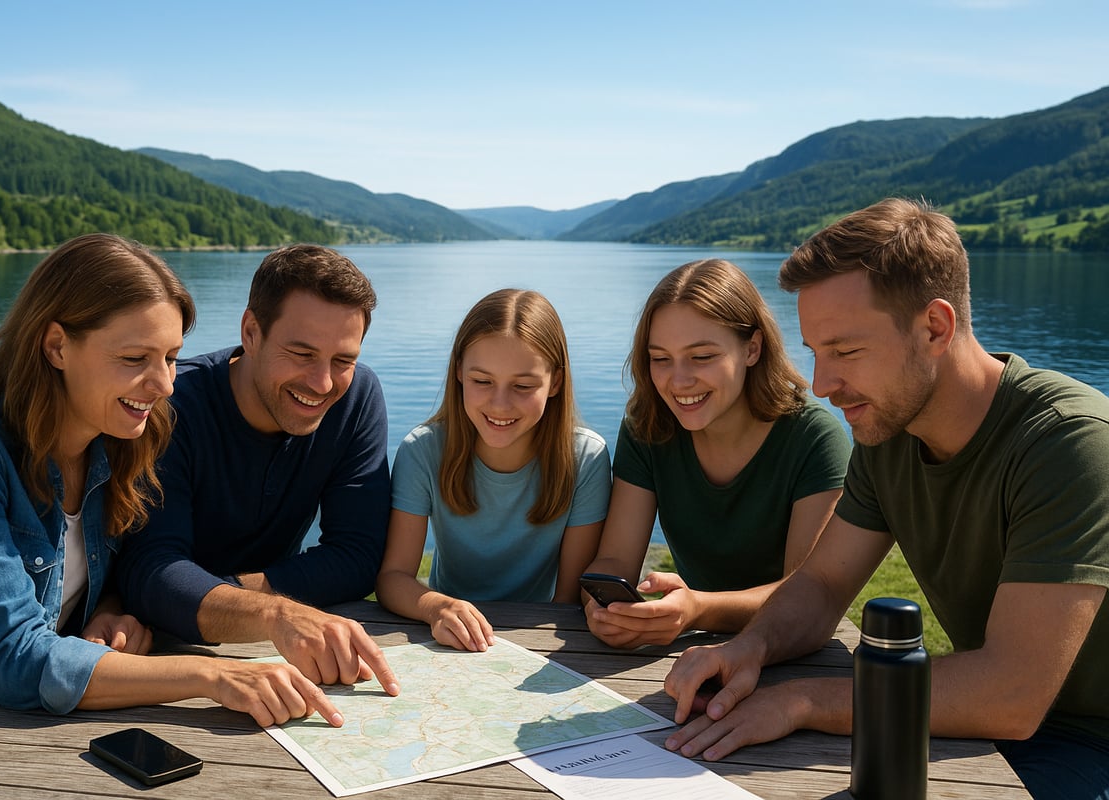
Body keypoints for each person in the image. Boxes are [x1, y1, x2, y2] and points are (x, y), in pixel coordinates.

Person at [663, 199, 1109, 800]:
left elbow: (1011, 692)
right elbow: (821, 585)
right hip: (987, 732)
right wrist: (749, 649)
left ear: (935, 328)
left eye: (845, 352)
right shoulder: (890, 433)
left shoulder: (1069, 444)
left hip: (1087, 744)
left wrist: (803, 699)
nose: (821, 386)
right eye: (815, 353)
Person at [0, 234, 348, 767]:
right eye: (135, 357)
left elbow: (104, 571)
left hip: (30, 742)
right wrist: (211, 675)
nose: (164, 384)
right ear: (56, 347)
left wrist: (113, 609)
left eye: (171, 357)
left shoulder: (123, 439)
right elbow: (12, 657)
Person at [115, 244, 399, 694]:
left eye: (343, 360)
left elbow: (358, 556)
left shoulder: (356, 398)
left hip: (266, 652)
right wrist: (275, 611)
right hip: (163, 658)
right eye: (302, 353)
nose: (323, 383)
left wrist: (216, 597)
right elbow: (152, 570)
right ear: (251, 331)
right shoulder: (171, 407)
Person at [582, 259, 850, 647]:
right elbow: (615, 562)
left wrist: (697, 608)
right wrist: (602, 603)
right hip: (695, 645)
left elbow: (806, 595)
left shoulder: (814, 439)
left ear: (752, 349)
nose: (679, 380)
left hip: (797, 649)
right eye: (660, 358)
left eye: (702, 356)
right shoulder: (647, 428)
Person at [375, 288, 611, 651]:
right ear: (458, 371)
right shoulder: (422, 451)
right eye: (482, 381)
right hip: (449, 634)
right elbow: (393, 577)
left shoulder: (585, 458)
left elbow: (568, 599)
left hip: (541, 635)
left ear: (556, 382)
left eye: (523, 385)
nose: (500, 404)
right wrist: (436, 607)